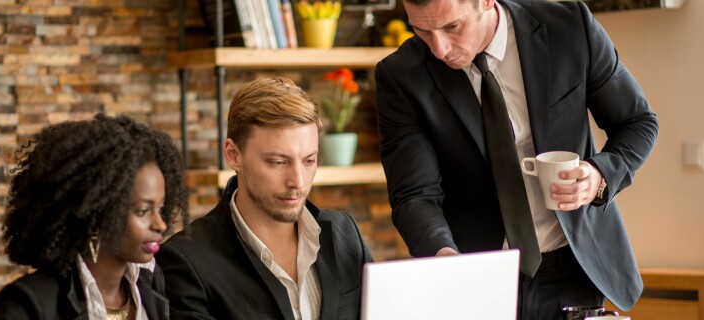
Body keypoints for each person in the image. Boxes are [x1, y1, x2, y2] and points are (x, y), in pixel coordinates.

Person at [374, 0, 658, 318]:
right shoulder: (401, 76)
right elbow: (415, 194)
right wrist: (444, 256)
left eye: (452, 27)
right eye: (421, 31)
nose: (439, 49)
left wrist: (598, 176)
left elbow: (637, 122)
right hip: (479, 281)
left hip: (575, 268)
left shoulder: (569, 27)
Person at [156, 77, 373, 320]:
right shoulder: (185, 262)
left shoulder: (346, 235)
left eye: (309, 161)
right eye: (278, 162)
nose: (298, 182)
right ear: (233, 154)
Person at [0, 114, 189, 320]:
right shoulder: (27, 305)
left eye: (161, 208)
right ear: (96, 211)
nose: (161, 224)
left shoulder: (151, 286)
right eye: (143, 211)